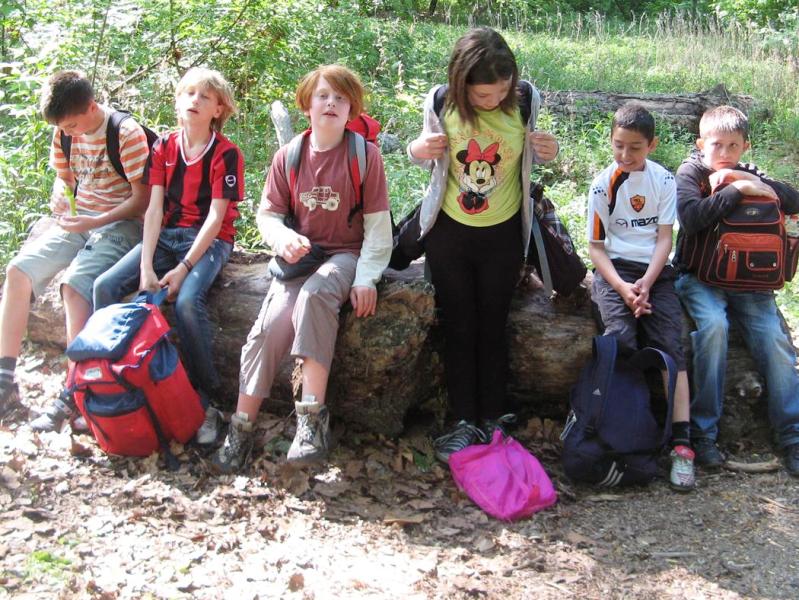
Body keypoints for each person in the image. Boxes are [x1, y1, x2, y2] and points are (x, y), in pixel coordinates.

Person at [212, 64, 392, 472]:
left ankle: (311, 421)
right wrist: (282, 239)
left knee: (315, 295)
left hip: (345, 255)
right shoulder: (290, 156)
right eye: (322, 96)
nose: (331, 103)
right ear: (307, 104)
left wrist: (366, 278)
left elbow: (378, 227)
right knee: (269, 326)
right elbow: (268, 215)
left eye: (341, 98)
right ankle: (241, 428)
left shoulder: (365, 156)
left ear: (352, 110)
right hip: (300, 259)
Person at [406, 27, 559, 462]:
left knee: (494, 324)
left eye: (501, 92)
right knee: (458, 325)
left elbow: (536, 155)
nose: (493, 101)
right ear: (461, 84)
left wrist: (549, 149)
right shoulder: (441, 101)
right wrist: (418, 148)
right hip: (450, 232)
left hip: (504, 232)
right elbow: (422, 156)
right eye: (482, 95)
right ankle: (462, 420)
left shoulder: (526, 99)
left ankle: (493, 416)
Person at [92, 67, 243, 445]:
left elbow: (216, 219)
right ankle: (112, 381)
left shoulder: (226, 154)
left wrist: (184, 268)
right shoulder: (163, 147)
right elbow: (154, 209)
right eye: (188, 93)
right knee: (105, 286)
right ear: (177, 102)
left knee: (188, 301)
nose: (195, 100)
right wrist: (146, 266)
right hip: (166, 236)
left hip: (209, 241)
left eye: (205, 96)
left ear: (218, 109)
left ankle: (209, 399)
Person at [0, 71, 149, 427]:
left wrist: (94, 221)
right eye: (62, 128)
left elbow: (142, 200)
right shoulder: (63, 133)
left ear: (91, 107)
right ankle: (5, 380)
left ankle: (75, 390)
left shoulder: (126, 134)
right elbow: (64, 176)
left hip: (121, 225)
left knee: (75, 285)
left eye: (71, 125)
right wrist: (60, 192)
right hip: (79, 221)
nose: (67, 133)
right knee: (18, 271)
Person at [674, 105, 799, 476]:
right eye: (717, 145)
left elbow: (794, 201)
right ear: (701, 144)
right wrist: (735, 189)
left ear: (745, 146)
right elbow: (690, 217)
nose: (724, 154)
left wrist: (751, 180)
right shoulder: (690, 172)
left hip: (750, 284)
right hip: (700, 278)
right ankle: (703, 434)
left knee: (774, 341)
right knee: (713, 329)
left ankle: (792, 435)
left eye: (733, 146)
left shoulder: (748, 171)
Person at [587, 103, 695, 491]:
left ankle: (682, 445)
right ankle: (622, 432)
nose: (625, 155)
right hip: (615, 272)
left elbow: (664, 239)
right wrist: (622, 287)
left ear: (652, 145)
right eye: (618, 145)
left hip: (654, 272)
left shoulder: (663, 181)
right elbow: (596, 248)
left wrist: (647, 283)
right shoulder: (602, 185)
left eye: (635, 147)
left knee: (670, 347)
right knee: (620, 343)